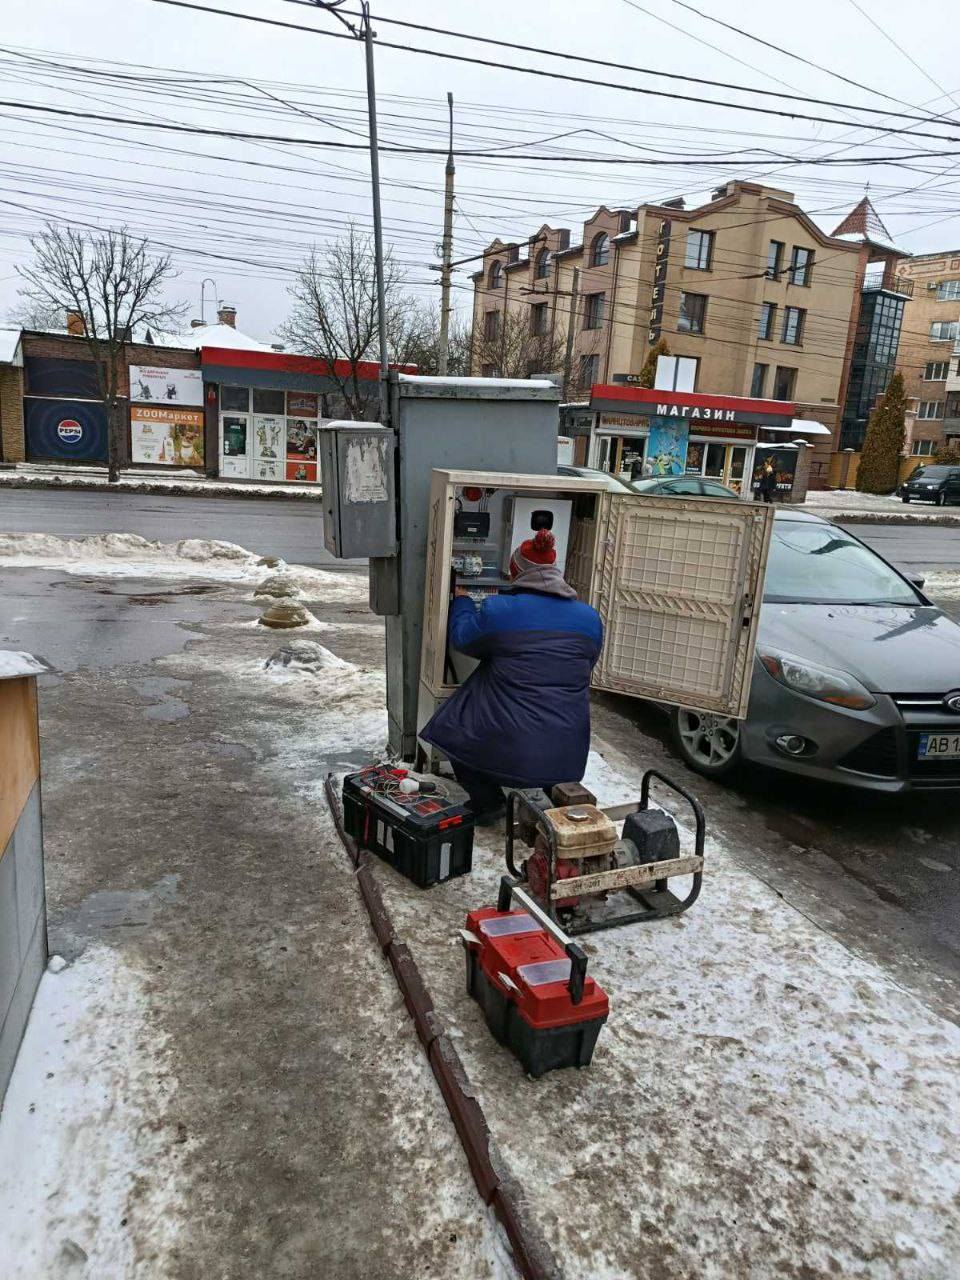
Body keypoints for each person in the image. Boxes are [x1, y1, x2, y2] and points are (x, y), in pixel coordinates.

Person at [421, 529, 604, 823]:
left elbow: (462, 639)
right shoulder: (590, 618)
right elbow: (587, 664)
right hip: (567, 757)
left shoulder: (500, 610)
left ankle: (489, 802)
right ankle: (551, 793)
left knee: (455, 725)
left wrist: (463, 602)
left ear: (515, 570)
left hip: (509, 755)